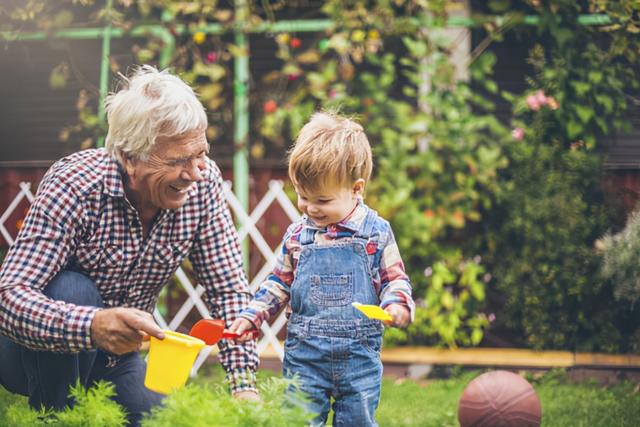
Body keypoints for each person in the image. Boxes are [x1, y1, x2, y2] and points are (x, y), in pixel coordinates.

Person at [0, 65, 259, 425]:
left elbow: (228, 288)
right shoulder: (74, 185)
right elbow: (9, 296)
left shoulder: (203, 184)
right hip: (34, 354)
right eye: (178, 160)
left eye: (201, 153)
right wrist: (91, 325)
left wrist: (244, 384)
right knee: (73, 287)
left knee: (158, 419)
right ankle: (55, 416)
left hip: (115, 361)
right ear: (130, 157)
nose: (196, 171)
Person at [229, 111, 415, 426]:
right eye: (303, 197)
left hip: (358, 358)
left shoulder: (376, 233)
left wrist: (397, 304)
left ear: (357, 189)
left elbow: (395, 280)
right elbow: (278, 283)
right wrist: (253, 315)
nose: (310, 208)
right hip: (305, 356)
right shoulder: (297, 236)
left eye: (322, 200)